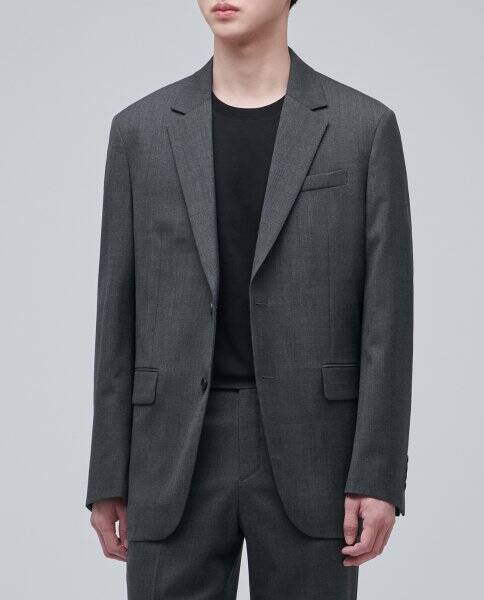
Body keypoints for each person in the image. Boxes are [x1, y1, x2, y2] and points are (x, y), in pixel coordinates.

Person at [86, 1, 413, 598]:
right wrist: (108, 471)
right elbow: (117, 312)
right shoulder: (140, 131)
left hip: (316, 450)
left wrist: (378, 472)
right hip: (171, 450)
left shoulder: (362, 128)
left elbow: (387, 320)